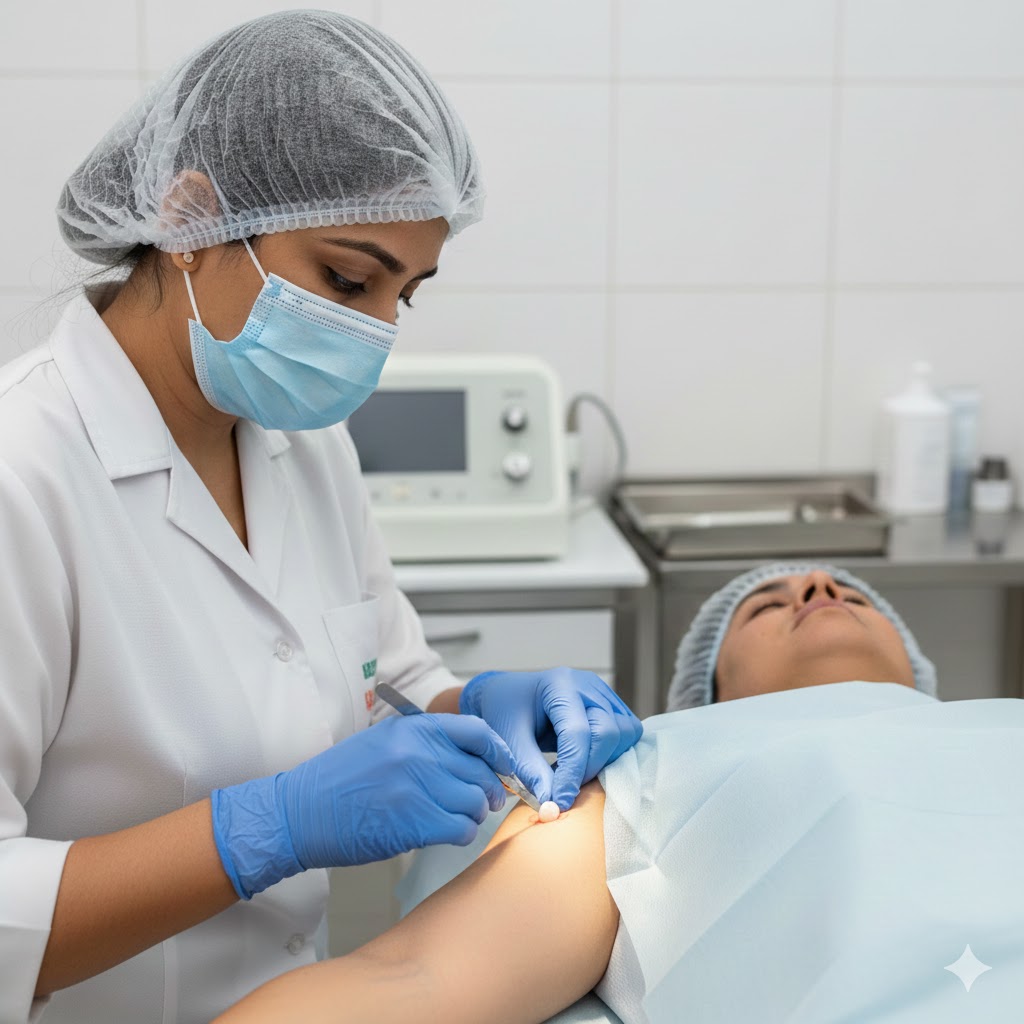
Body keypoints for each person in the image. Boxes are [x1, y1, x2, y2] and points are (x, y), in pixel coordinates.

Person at [0, 11, 642, 1022]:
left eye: (405, 295)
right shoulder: (21, 474)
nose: (374, 331)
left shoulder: (300, 444)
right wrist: (262, 829)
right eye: (346, 279)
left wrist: (476, 707)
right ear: (189, 221)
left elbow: (385, 676)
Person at [214, 564, 1024, 1024]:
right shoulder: (656, 766)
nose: (817, 585)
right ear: (707, 693)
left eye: (851, 595)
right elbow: (411, 983)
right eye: (768, 605)